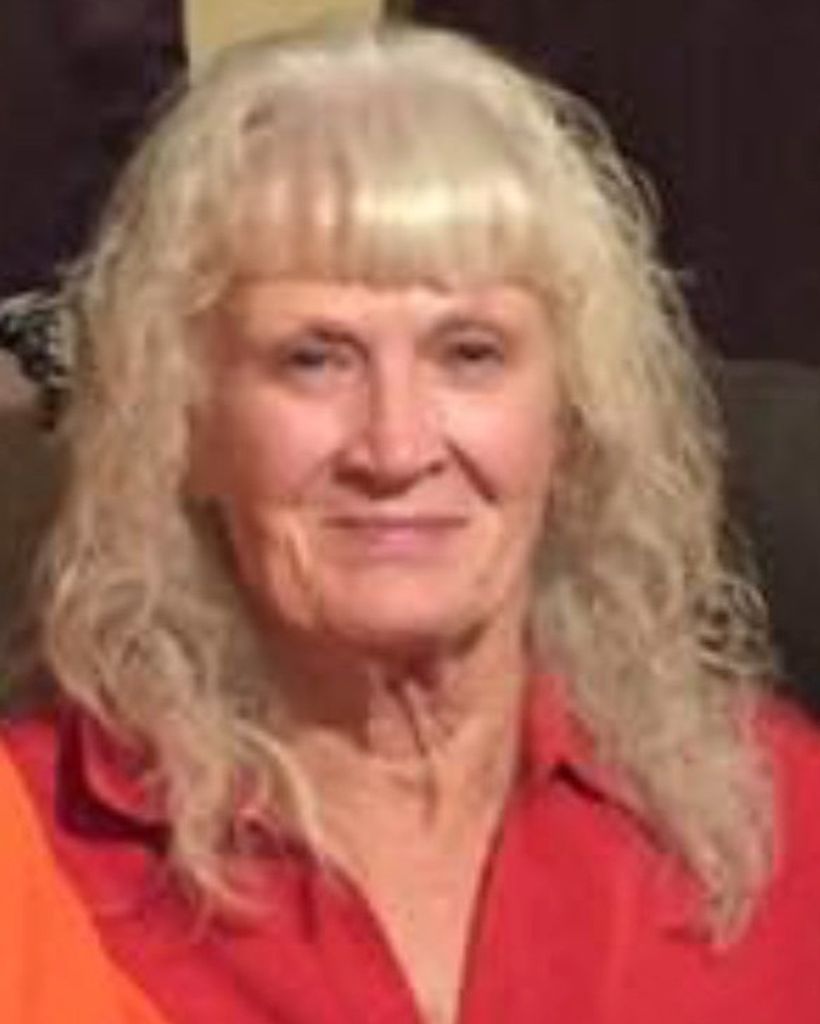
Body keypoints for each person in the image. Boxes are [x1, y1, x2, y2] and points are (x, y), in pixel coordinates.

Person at [2, 21, 820, 1024]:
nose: (394, 448)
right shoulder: (27, 853)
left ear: (570, 419)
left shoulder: (778, 819)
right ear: (188, 426)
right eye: (313, 358)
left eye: (469, 354)